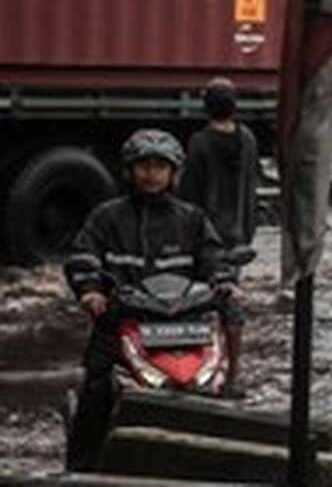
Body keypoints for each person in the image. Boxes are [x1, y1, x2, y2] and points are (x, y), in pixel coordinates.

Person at [63, 129, 233, 471]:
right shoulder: (106, 217)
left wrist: (226, 282)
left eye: (160, 166)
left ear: (174, 173)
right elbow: (82, 258)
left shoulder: (192, 219)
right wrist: (91, 291)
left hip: (183, 324)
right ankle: (81, 469)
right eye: (144, 166)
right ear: (129, 170)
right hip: (120, 322)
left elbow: (215, 259)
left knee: (218, 384)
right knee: (97, 390)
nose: (151, 174)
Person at [177, 77, 256, 399]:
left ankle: (196, 372)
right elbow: (252, 187)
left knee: (195, 303)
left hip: (206, 235)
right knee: (230, 302)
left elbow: (188, 194)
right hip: (237, 234)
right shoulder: (247, 138)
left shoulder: (199, 143)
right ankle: (233, 375)